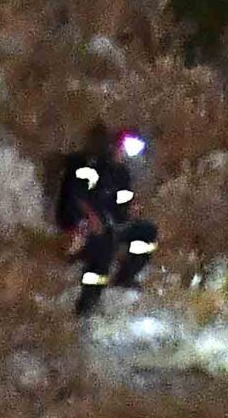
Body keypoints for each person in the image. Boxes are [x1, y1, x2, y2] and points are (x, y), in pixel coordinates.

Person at [57, 124, 158, 315]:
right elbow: (75, 193)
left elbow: (122, 206)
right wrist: (90, 217)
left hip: (109, 225)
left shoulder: (122, 174)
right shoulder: (91, 164)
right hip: (83, 224)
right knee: (104, 248)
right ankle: (87, 303)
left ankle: (126, 276)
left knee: (147, 232)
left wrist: (130, 209)